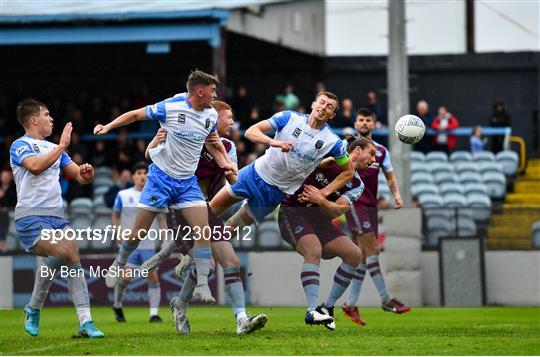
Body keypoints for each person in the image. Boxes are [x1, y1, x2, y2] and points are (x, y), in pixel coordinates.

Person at [93, 70, 237, 304]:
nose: (215, 95)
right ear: (199, 91)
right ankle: (118, 263)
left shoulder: (210, 115)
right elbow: (136, 115)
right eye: (212, 91)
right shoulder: (171, 107)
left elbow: (213, 143)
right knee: (138, 233)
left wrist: (226, 163)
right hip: (161, 179)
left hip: (187, 182)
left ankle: (201, 285)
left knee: (203, 231)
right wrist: (108, 127)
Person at [141, 101, 268, 335]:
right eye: (228, 117)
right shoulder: (187, 135)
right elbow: (151, 156)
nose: (232, 122)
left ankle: (241, 319)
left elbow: (233, 182)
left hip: (206, 212)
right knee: (207, 267)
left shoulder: (228, 146)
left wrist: (232, 174)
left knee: (232, 262)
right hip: (181, 211)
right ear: (213, 118)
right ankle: (180, 304)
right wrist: (154, 142)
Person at [10, 99, 104, 338]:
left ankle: (86, 322)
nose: (51, 119)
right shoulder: (20, 145)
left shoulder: (54, 148)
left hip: (56, 216)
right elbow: (35, 167)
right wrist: (62, 146)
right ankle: (33, 308)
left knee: (73, 259)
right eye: (47, 114)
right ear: (33, 120)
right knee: (60, 253)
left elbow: (79, 176)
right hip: (30, 216)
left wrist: (87, 174)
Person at [209, 91, 354, 240]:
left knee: (229, 230)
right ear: (313, 104)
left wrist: (324, 192)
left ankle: (201, 255)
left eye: (329, 107)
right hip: (252, 175)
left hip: (274, 193)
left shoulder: (333, 142)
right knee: (208, 213)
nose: (324, 107)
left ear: (332, 115)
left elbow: (348, 172)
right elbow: (251, 132)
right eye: (321, 102)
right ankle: (185, 247)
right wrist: (274, 142)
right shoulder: (289, 117)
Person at [278, 136, 377, 329]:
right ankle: (312, 310)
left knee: (354, 254)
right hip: (293, 212)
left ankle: (327, 308)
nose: (373, 159)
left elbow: (338, 210)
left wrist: (320, 199)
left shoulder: (357, 184)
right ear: (356, 151)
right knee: (313, 250)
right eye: (371, 153)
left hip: (320, 221)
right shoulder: (330, 157)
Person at [342, 108, 410, 326]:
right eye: (360, 119)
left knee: (361, 256)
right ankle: (386, 299)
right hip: (355, 202)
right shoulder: (346, 148)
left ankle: (350, 303)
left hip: (371, 205)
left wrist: (397, 195)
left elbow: (390, 177)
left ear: (373, 124)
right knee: (373, 251)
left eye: (367, 120)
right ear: (356, 122)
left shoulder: (381, 151)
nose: (363, 123)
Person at [111, 162, 166, 323]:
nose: (142, 176)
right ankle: (117, 305)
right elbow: (115, 215)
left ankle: (154, 314)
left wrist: (164, 238)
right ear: (133, 176)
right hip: (129, 245)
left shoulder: (155, 195)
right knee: (126, 278)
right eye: (139, 173)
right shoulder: (123, 195)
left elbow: (162, 219)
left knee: (153, 277)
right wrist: (118, 232)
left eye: (144, 173)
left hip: (148, 245)